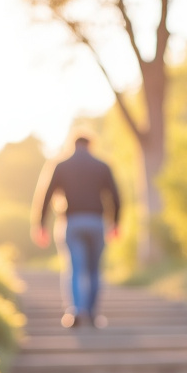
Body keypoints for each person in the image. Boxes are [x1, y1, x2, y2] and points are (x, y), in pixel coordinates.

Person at [32, 133, 121, 328]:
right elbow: (115, 196)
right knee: (94, 271)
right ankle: (93, 314)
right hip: (97, 222)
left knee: (75, 269)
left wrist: (40, 225)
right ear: (91, 145)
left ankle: (77, 311)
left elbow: (45, 195)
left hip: (71, 222)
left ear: (72, 145)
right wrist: (115, 223)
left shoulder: (61, 165)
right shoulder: (102, 165)